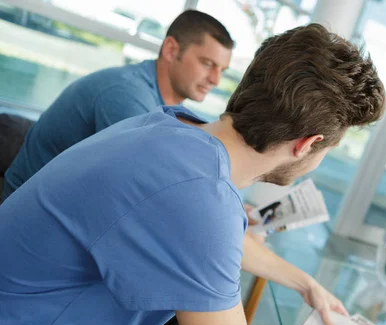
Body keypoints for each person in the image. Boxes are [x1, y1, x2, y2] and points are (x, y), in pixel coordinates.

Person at [0, 23, 386, 325]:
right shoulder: (202, 198)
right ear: (307, 144)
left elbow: (214, 235)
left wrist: (304, 283)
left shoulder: (175, 126)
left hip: (27, 315)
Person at [2, 10, 234, 200]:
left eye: (221, 70)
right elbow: (149, 187)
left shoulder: (162, 106)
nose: (215, 80)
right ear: (171, 49)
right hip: (27, 219)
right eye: (207, 63)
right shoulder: (126, 94)